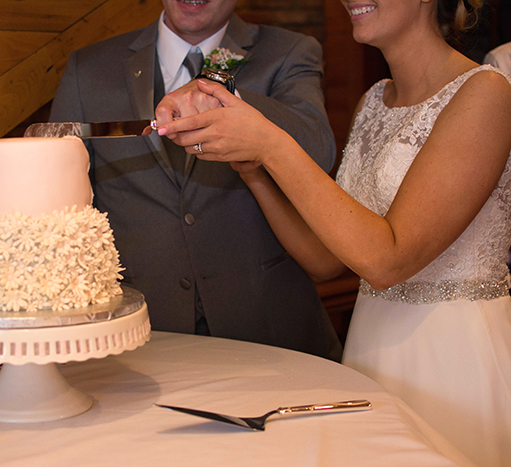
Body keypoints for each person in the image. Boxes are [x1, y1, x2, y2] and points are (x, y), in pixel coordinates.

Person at [158, 0, 511, 465]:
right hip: (371, 352)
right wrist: (255, 170)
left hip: (452, 357)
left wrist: (271, 141)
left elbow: (388, 260)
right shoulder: (373, 100)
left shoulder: (488, 94)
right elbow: (325, 260)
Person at [49, 0, 342, 360]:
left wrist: (226, 99)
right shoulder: (88, 68)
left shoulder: (288, 52)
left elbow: (319, 149)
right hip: (140, 336)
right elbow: (57, 202)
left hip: (268, 332)